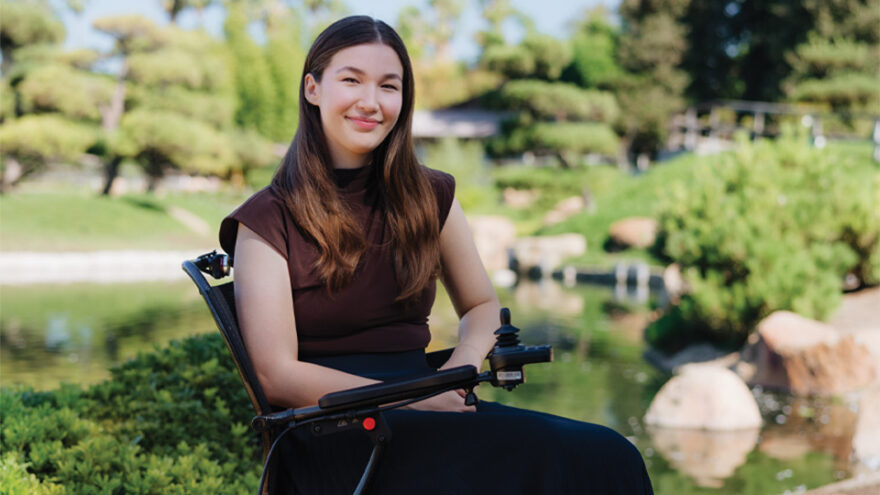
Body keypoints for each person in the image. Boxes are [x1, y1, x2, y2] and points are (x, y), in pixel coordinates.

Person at [219, 15, 653, 495]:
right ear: (313, 88)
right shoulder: (265, 219)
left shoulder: (428, 194)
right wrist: (410, 402)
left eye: (389, 86)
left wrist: (455, 374)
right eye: (351, 80)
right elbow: (275, 374)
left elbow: (482, 306)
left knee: (610, 457)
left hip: (433, 404)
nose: (371, 101)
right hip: (332, 429)